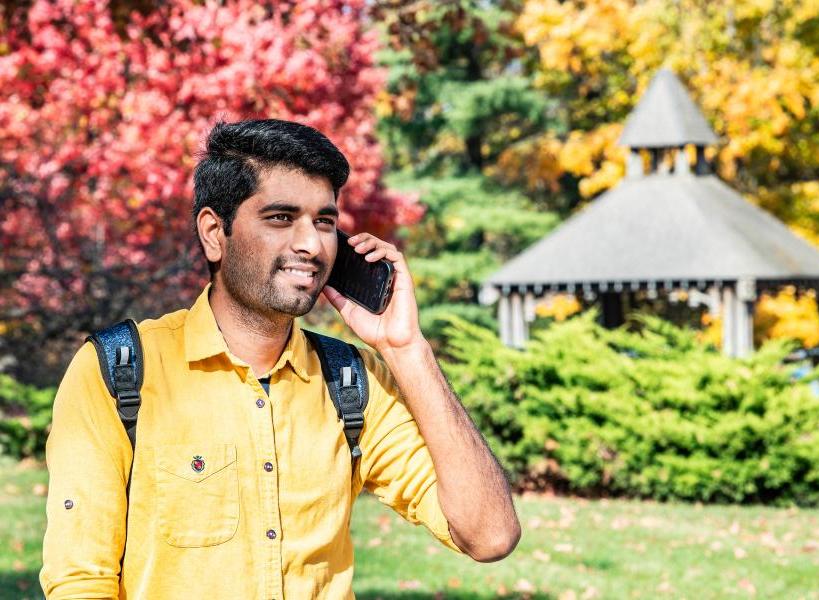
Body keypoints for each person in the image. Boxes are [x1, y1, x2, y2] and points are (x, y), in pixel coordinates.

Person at [39, 119, 521, 599]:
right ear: (214, 233)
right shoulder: (119, 372)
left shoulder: (351, 382)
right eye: (280, 218)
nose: (311, 245)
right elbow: (81, 583)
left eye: (324, 221)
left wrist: (406, 348)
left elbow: (490, 535)